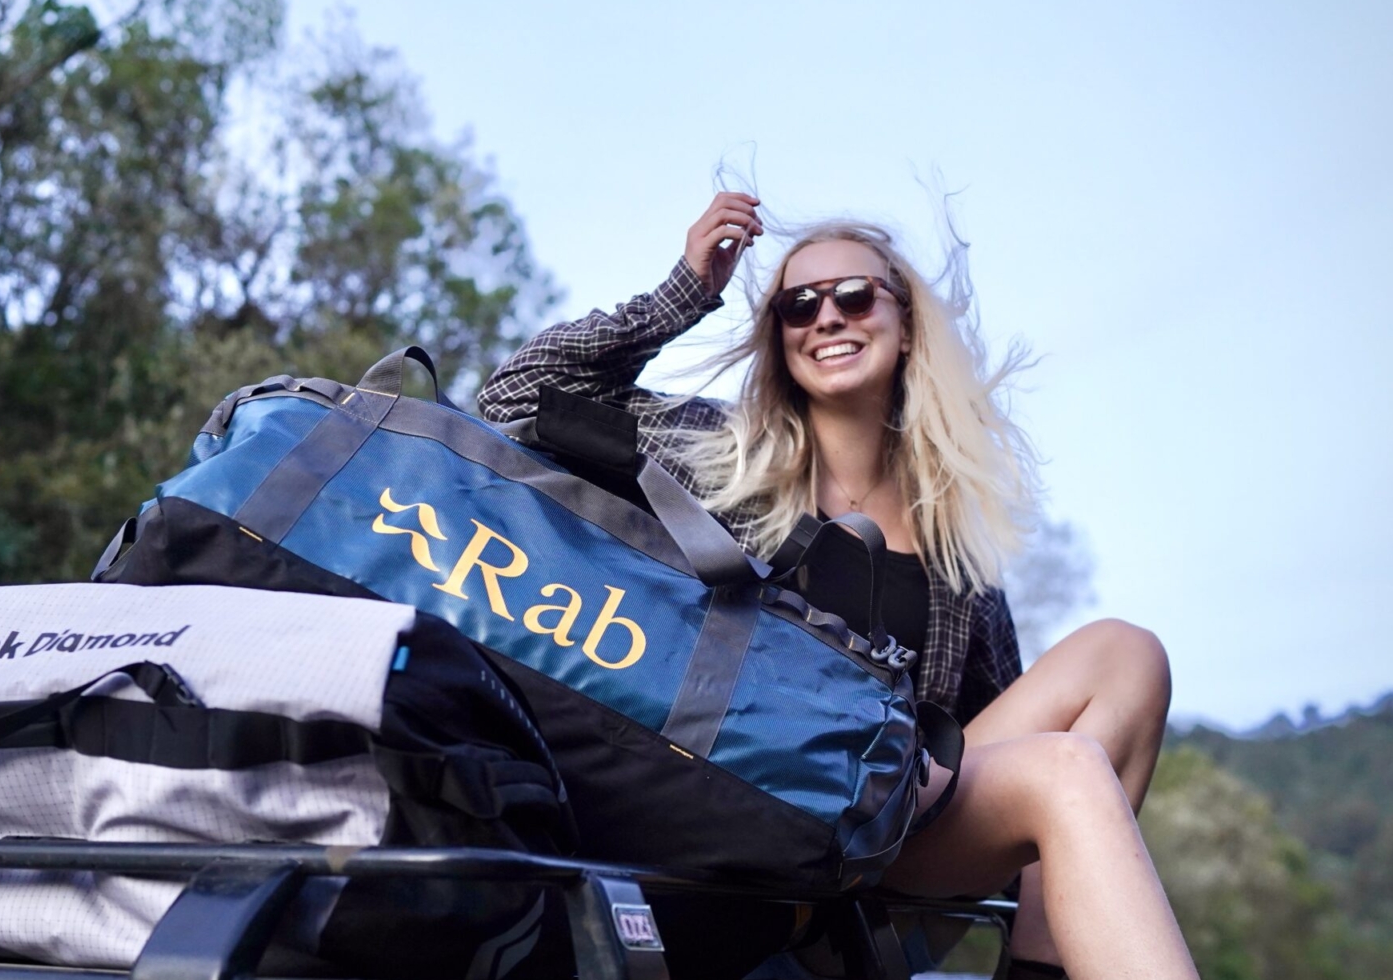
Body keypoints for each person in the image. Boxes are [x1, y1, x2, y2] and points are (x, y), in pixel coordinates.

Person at [478, 192, 1195, 980]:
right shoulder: (715, 454)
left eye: (854, 296)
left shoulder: (951, 542)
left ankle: (1036, 966)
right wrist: (686, 288)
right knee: (1065, 772)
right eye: (798, 306)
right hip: (758, 803)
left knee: (1127, 658)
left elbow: (1013, 729)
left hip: (891, 823)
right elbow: (510, 398)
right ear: (779, 337)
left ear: (906, 322)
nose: (827, 318)